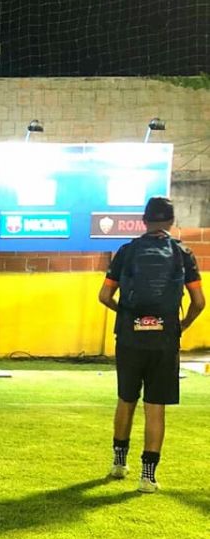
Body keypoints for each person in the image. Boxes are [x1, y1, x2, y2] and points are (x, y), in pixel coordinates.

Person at [98, 195, 204, 492]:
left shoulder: (126, 252)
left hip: (129, 338)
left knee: (126, 399)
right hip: (164, 340)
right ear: (171, 221)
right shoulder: (183, 253)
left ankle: (119, 462)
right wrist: (182, 324)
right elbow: (199, 302)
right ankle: (148, 476)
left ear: (144, 221)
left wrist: (127, 314)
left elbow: (104, 296)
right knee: (155, 406)